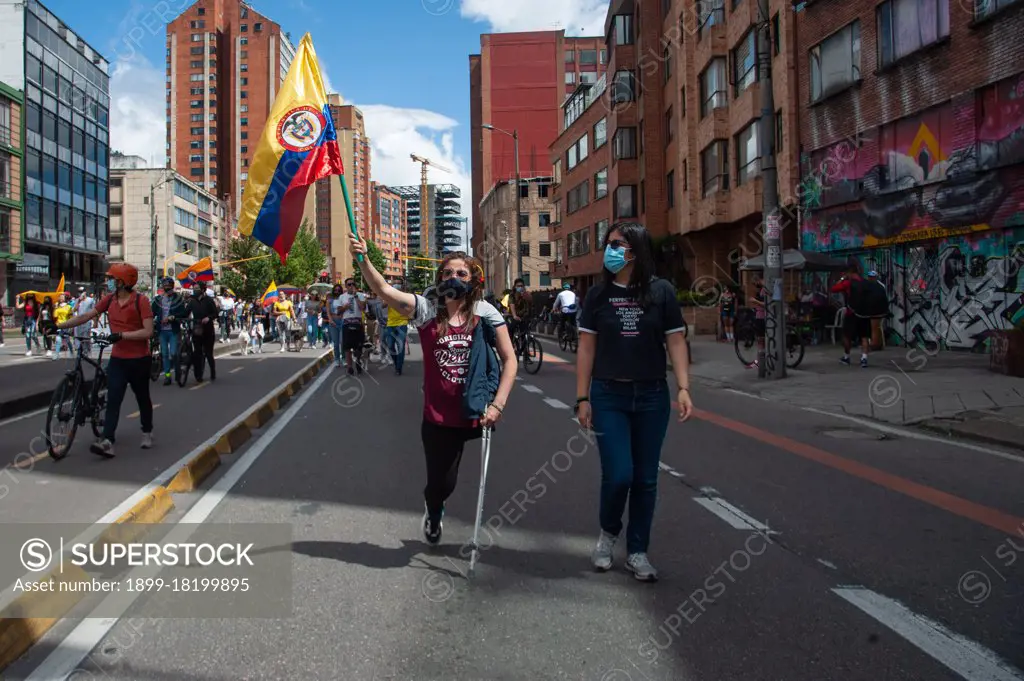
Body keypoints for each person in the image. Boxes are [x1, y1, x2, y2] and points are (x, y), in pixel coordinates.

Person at [349, 231, 518, 545]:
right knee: (442, 482)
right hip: (438, 417)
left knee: (451, 478)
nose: (454, 277)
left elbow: (510, 360)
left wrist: (498, 405)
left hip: (476, 410)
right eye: (448, 273)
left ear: (473, 281)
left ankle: (437, 502)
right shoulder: (426, 310)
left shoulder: (486, 314)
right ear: (440, 279)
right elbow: (384, 290)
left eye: (461, 273)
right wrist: (362, 260)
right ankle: (434, 508)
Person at [575, 222, 694, 582]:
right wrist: (582, 396)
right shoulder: (598, 296)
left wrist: (684, 387)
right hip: (608, 395)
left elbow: (675, 341)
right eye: (608, 244)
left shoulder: (662, 292)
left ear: (636, 250)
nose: (610, 250)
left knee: (645, 478)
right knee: (619, 475)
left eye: (618, 244)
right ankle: (608, 533)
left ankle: (638, 550)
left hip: (652, 396)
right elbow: (586, 347)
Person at [56, 263, 155, 458]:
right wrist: (60, 325)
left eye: (112, 279)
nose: (108, 282)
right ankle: (108, 440)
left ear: (123, 282)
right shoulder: (109, 300)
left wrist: (122, 336)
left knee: (142, 398)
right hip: (118, 359)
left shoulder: (141, 301)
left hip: (139, 360)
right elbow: (86, 315)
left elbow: (148, 331)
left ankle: (147, 430)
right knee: (114, 400)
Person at [832, 268, 887, 367]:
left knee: (847, 336)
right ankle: (864, 359)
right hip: (864, 314)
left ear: (849, 272)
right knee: (864, 337)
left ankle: (846, 357)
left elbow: (834, 289)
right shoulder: (865, 283)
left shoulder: (848, 283)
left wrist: (842, 278)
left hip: (851, 314)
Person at [153, 277, 188, 385]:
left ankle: (178, 369)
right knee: (164, 354)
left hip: (173, 330)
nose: (167, 289)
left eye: (169, 287)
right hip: (162, 331)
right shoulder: (158, 300)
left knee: (173, 353)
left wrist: (172, 317)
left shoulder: (178, 299)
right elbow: (151, 312)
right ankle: (167, 376)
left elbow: (183, 313)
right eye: (165, 286)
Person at [186, 280, 219, 382]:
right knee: (197, 353)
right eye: (194, 289)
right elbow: (186, 312)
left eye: (197, 289)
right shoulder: (192, 301)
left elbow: (215, 313)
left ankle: (212, 371)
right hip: (196, 329)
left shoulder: (209, 300)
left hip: (208, 330)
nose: (195, 291)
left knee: (208, 353)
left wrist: (208, 318)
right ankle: (198, 375)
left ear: (203, 290)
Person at [338, 278, 367, 375]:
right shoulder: (342, 297)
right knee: (347, 347)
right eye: (349, 284)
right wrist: (344, 307)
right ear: (346, 286)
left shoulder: (360, 295)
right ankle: (350, 367)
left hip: (357, 323)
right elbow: (338, 311)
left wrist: (356, 296)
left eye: (353, 284)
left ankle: (358, 361)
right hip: (347, 323)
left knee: (358, 347)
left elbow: (362, 308)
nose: (351, 286)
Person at [382, 280, 411, 375]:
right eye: (395, 283)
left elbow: (408, 308)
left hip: (402, 323)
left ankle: (399, 367)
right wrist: (390, 298)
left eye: (398, 283)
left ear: (402, 286)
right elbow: (383, 305)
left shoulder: (406, 296)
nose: (397, 285)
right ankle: (396, 363)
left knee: (400, 346)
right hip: (391, 324)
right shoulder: (389, 295)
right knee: (390, 346)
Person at [326, 283, 347, 367]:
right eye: (335, 290)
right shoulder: (329, 301)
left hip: (342, 321)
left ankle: (344, 358)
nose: (337, 291)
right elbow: (328, 312)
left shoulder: (343, 300)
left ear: (341, 291)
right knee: (336, 343)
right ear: (333, 291)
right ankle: (337, 359)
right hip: (333, 321)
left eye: (339, 290)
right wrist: (331, 320)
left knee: (342, 342)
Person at [52, 294, 74, 360]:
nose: (60, 298)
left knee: (67, 340)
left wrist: (71, 326)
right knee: (58, 340)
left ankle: (72, 352)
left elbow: (71, 317)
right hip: (59, 325)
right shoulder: (57, 307)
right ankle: (57, 354)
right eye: (60, 297)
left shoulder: (68, 307)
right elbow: (55, 316)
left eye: (62, 297)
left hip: (66, 325)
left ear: (65, 298)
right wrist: (55, 308)